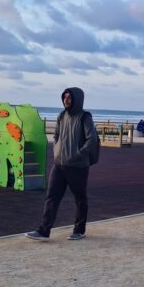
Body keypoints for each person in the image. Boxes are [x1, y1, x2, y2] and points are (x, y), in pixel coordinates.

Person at [26, 87, 97, 242]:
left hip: (78, 166)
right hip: (59, 164)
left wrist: (78, 154)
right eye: (64, 97)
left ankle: (79, 230)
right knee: (51, 197)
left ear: (76, 99)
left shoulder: (85, 117)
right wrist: (56, 150)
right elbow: (56, 135)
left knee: (80, 198)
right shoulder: (61, 116)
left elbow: (92, 139)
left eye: (69, 98)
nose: (66, 100)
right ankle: (44, 231)